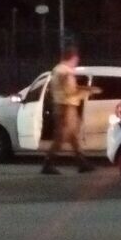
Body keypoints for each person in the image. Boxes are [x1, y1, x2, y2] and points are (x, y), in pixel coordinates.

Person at [42, 46, 101, 175]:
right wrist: (88, 91)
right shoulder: (65, 72)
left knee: (73, 136)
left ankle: (82, 163)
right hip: (66, 107)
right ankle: (48, 164)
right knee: (61, 137)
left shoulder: (57, 70)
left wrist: (85, 88)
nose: (76, 63)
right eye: (76, 60)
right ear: (72, 58)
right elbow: (71, 91)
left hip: (62, 106)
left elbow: (68, 88)